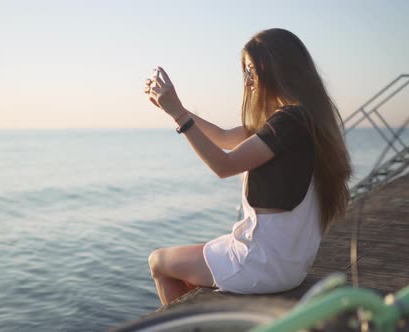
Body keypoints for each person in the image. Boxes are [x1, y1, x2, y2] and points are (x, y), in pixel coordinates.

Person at [142, 28, 351, 306]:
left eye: (251, 69)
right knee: (189, 274)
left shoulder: (289, 120)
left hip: (263, 264)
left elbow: (223, 165)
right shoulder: (304, 120)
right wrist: (174, 109)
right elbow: (225, 138)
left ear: (276, 68)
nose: (247, 80)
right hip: (289, 265)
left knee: (158, 261)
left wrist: (178, 114)